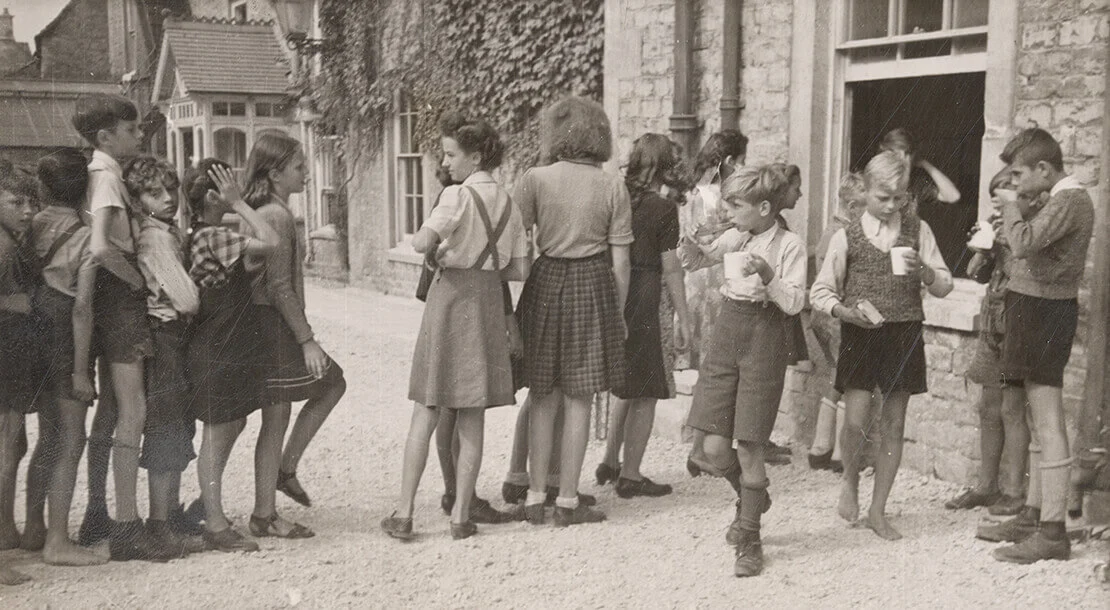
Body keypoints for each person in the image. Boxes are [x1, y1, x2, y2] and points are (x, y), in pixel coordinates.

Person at [381, 112, 527, 540]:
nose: (445, 163)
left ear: (475, 156)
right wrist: (482, 260)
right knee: (472, 414)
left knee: (426, 408)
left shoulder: (456, 196)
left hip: (449, 302)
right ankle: (461, 516)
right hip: (485, 302)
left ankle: (405, 514)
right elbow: (518, 269)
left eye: (450, 154)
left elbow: (421, 242)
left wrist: (444, 252)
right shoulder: (509, 202)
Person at [810, 150, 954, 542]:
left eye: (899, 198)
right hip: (862, 332)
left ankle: (878, 510)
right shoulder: (846, 235)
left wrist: (925, 272)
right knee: (855, 422)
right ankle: (850, 482)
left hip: (904, 332)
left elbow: (945, 284)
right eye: (883, 197)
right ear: (867, 192)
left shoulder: (918, 230)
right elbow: (820, 292)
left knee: (893, 423)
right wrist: (843, 311)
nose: (891, 206)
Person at [679, 164, 806, 576]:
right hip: (728, 330)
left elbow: (794, 304)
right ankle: (752, 495)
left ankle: (750, 537)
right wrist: (691, 242)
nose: (730, 212)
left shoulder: (790, 245)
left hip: (766, 337)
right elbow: (697, 261)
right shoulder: (735, 236)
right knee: (713, 448)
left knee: (749, 443)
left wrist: (768, 275)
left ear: (765, 207)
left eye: (736, 205)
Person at [512, 96, 631, 527]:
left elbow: (516, 246)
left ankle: (534, 496)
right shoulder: (612, 186)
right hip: (592, 284)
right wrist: (616, 314)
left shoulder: (534, 179)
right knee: (580, 398)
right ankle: (566, 502)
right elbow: (621, 263)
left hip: (545, 282)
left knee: (542, 395)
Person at [979, 128, 1093, 564]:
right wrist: (1014, 216)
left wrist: (1010, 212)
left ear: (1045, 169)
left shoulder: (1072, 200)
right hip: (1027, 309)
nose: (1014, 184)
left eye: (1020, 174)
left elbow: (1025, 243)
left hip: (1046, 314)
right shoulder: (1056, 197)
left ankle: (1053, 531)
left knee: (1047, 419)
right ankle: (1032, 512)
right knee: (1030, 410)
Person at [71, 94, 175, 561]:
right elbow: (100, 248)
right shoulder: (109, 176)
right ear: (105, 137)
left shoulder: (95, 173)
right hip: (122, 303)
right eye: (131, 130)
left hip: (105, 304)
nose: (139, 136)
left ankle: (102, 514)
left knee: (114, 414)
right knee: (133, 412)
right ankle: (128, 528)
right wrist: (138, 282)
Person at [242, 132, 346, 539]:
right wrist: (306, 340)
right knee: (319, 391)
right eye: (300, 167)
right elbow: (280, 286)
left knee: (281, 413)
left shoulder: (266, 210)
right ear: (275, 172)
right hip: (274, 325)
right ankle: (269, 504)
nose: (306, 173)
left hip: (266, 323)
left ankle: (271, 496)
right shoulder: (277, 216)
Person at [184, 159, 277, 553]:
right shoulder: (212, 236)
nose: (236, 192)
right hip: (217, 344)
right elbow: (271, 241)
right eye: (228, 188)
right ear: (211, 196)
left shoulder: (209, 235)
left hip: (223, 341)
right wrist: (240, 205)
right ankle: (216, 523)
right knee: (220, 428)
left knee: (232, 422)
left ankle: (208, 502)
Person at [20, 149, 106, 567]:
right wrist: (80, 371)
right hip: (63, 336)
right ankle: (58, 541)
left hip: (28, 331)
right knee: (71, 439)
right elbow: (82, 308)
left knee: (47, 438)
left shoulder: (29, 223)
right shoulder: (87, 236)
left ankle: (35, 528)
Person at [121, 155, 208, 558]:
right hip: (168, 333)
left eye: (170, 189)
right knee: (167, 427)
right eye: (154, 192)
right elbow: (187, 299)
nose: (168, 198)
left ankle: (169, 515)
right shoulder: (155, 237)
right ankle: (159, 524)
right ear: (138, 200)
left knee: (176, 425)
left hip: (174, 334)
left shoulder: (166, 230)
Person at [596, 134, 691, 498]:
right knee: (647, 389)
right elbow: (672, 269)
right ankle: (631, 475)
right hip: (647, 292)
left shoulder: (614, 197)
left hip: (613, 290)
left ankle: (609, 461)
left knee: (625, 382)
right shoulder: (663, 209)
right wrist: (684, 317)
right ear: (663, 167)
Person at [428, 164, 516, 526]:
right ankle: (459, 496)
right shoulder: (459, 196)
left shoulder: (456, 194)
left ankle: (458, 494)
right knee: (459, 403)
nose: (447, 162)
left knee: (450, 401)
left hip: (448, 293)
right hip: (463, 294)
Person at [945, 168, 1029, 516]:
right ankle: (986, 486)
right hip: (992, 323)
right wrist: (981, 251)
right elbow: (975, 275)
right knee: (987, 407)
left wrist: (1003, 244)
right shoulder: (998, 225)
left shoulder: (1030, 229)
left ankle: (1014, 491)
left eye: (1006, 190)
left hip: (1017, 325)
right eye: (995, 192)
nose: (998, 198)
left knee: (1013, 409)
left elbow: (1026, 271)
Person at [680, 130, 747, 478]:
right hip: (717, 282)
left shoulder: (696, 190)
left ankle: (700, 445)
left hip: (697, 283)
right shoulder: (719, 196)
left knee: (711, 368)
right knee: (717, 370)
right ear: (732, 161)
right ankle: (700, 448)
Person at [807, 173, 867, 472]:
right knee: (847, 377)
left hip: (825, 315)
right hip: (837, 315)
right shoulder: (841, 235)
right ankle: (837, 453)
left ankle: (822, 447)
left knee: (838, 375)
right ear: (853, 206)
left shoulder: (831, 229)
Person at [0, 163, 43, 556]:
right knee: (7, 447)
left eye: (33, 202)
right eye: (16, 202)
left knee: (13, 447)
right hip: (6, 354)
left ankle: (8, 530)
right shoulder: (6, 247)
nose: (27, 210)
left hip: (11, 351)